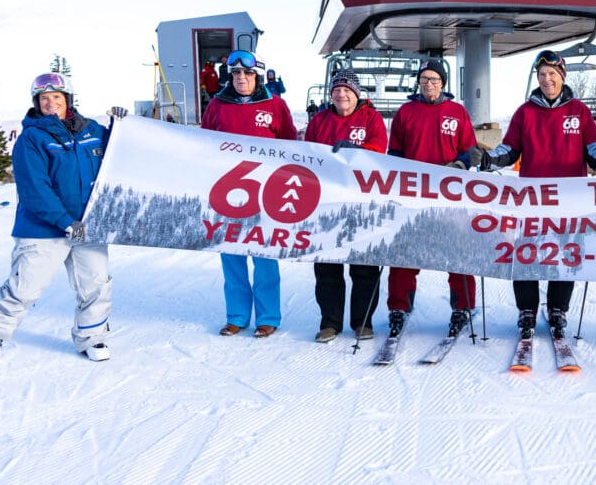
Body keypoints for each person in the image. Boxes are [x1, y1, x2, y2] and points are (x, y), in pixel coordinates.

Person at [0, 73, 122, 363]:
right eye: (44, 98)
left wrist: (122, 125)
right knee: (25, 287)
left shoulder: (93, 130)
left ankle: (92, 337)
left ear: (67, 100)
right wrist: (66, 222)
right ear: (37, 102)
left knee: (95, 284)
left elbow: (121, 153)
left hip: (89, 224)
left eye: (56, 97)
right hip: (43, 228)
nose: (50, 102)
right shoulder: (32, 138)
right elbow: (34, 188)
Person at [470, 51, 596, 337]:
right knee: (527, 253)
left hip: (570, 199)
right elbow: (509, 149)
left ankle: (558, 308)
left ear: (562, 76)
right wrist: (488, 159)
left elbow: (593, 146)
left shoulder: (579, 111)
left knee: (566, 252)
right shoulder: (526, 112)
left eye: (552, 74)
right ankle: (527, 308)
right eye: (542, 75)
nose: (547, 79)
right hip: (532, 199)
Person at [201, 51, 297, 338]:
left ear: (257, 75)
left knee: (265, 254)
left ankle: (268, 317)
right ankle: (237, 316)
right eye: (237, 74)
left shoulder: (275, 104)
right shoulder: (218, 105)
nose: (242, 79)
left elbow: (290, 144)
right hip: (226, 193)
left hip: (265, 191)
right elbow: (203, 144)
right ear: (230, 76)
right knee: (231, 255)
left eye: (248, 74)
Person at [385, 60, 478, 338]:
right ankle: (399, 306)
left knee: (456, 251)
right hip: (414, 195)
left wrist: (461, 166)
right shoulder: (406, 112)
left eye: (434, 79)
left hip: (448, 195)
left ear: (443, 83)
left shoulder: (457, 112)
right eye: (424, 79)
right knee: (405, 251)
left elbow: (469, 151)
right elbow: (396, 154)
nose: (429, 84)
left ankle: (463, 305)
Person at [302, 69, 387, 343]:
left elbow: (380, 151)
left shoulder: (371, 118)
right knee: (327, 265)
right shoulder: (320, 120)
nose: (341, 95)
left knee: (363, 265)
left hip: (362, 201)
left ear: (356, 94)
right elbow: (308, 154)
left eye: (347, 90)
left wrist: (354, 150)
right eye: (336, 90)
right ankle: (330, 321)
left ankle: (363, 321)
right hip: (327, 201)